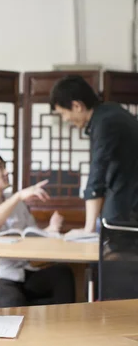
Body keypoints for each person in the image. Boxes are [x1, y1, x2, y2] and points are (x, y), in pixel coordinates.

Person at [0, 152, 75, 307]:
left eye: (5, 167)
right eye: (0, 168)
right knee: (12, 300)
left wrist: (51, 229)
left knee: (62, 274)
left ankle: (65, 327)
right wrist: (18, 196)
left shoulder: (17, 203)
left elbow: (31, 234)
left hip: (24, 271)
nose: (6, 172)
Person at [50, 75, 138, 234]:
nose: (65, 119)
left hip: (128, 204)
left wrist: (88, 229)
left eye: (63, 113)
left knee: (113, 254)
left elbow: (97, 174)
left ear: (77, 106)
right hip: (126, 197)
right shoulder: (110, 111)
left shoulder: (105, 123)